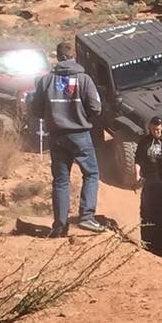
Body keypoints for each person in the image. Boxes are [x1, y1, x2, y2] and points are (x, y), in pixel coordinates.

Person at [31, 41, 105, 237]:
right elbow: (96, 108)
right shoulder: (84, 79)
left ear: (57, 57)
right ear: (74, 57)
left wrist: (53, 115)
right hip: (79, 134)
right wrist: (82, 116)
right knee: (91, 174)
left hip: (56, 136)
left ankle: (59, 226)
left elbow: (35, 109)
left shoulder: (45, 81)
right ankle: (87, 217)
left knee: (61, 181)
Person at [135, 116, 162, 255]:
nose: (156, 132)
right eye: (153, 129)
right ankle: (148, 244)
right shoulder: (144, 142)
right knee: (147, 212)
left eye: (158, 129)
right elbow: (138, 159)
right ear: (150, 128)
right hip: (150, 181)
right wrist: (137, 174)